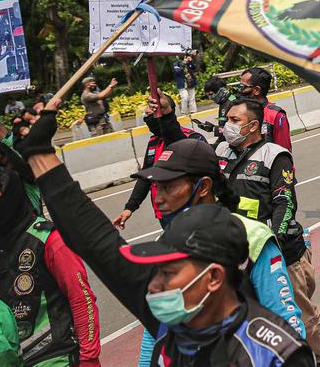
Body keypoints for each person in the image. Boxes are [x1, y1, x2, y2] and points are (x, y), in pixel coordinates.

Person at [15, 109, 313, 365]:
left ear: (213, 278)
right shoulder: (176, 311)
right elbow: (96, 241)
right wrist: (39, 154)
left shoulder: (274, 354)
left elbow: (286, 316)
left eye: (167, 273)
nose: (153, 285)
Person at [129, 137, 308, 363]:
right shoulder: (164, 241)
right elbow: (155, 331)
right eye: (157, 188)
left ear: (203, 187)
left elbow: (286, 323)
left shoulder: (253, 237)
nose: (159, 199)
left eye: (168, 187)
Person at [216, 99, 320, 365]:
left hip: (279, 250)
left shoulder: (275, 155)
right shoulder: (221, 150)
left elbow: (285, 202)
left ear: (253, 126)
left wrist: (276, 244)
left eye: (235, 120)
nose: (227, 126)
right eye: (226, 120)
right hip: (238, 250)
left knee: (298, 312)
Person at [0, 166, 101, 366]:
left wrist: (89, 357)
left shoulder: (48, 239)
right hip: (11, 359)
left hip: (53, 356)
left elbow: (81, 298)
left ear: (9, 198)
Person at [113, 94, 204, 231]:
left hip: (189, 209)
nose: (148, 120)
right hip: (164, 214)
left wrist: (167, 116)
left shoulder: (190, 139)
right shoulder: (153, 142)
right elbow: (145, 178)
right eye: (146, 116)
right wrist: (129, 208)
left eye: (151, 115)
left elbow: (176, 140)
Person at [239, 68, 291, 150]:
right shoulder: (238, 112)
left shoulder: (277, 116)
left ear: (257, 90)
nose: (239, 90)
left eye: (242, 87)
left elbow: (284, 152)